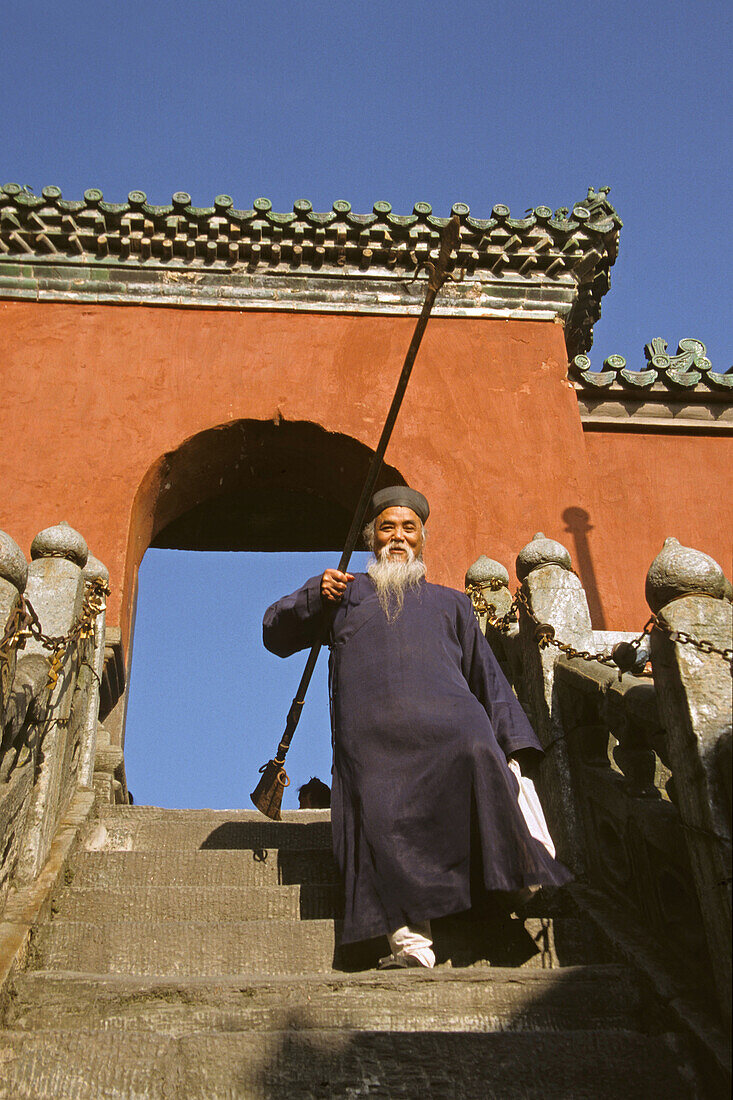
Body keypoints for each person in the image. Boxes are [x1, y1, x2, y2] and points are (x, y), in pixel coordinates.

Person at [263, 485, 569, 969]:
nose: (398, 537)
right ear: (372, 539)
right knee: (381, 817)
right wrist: (311, 596)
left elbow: (487, 677)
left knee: (482, 756)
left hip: (452, 725)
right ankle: (410, 944)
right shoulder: (342, 594)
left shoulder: (453, 604)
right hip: (373, 739)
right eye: (387, 528)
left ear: (422, 539)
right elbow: (274, 633)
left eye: (409, 528)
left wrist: (515, 743)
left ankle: (520, 878)